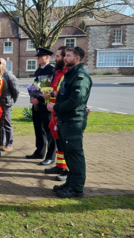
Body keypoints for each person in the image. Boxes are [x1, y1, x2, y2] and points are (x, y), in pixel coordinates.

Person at [47, 46, 92, 198]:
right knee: (68, 154)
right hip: (66, 120)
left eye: (68, 56)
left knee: (74, 154)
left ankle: (77, 188)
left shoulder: (80, 76)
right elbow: (65, 94)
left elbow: (76, 100)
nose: (64, 58)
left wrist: (55, 107)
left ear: (77, 58)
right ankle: (70, 183)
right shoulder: (70, 74)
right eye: (64, 55)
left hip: (73, 121)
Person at [27, 48, 56, 166]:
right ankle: (39, 151)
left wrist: (39, 99)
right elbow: (36, 86)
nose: (38, 58)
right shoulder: (38, 70)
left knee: (50, 132)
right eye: (37, 56)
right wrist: (33, 97)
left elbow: (51, 87)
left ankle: (51, 156)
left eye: (40, 56)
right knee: (38, 129)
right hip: (37, 104)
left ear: (48, 57)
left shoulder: (52, 70)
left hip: (46, 105)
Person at [44, 46, 69, 180]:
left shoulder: (67, 73)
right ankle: (60, 165)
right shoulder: (58, 72)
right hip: (54, 112)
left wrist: (52, 93)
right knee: (58, 139)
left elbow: (66, 93)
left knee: (64, 141)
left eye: (58, 56)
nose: (56, 58)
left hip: (61, 111)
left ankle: (66, 169)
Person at [0, 58, 19, 152]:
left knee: (7, 123)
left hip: (7, 103)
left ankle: (9, 143)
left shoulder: (9, 76)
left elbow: (16, 91)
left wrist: (12, 101)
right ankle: (2, 142)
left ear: (3, 64)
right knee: (0, 124)